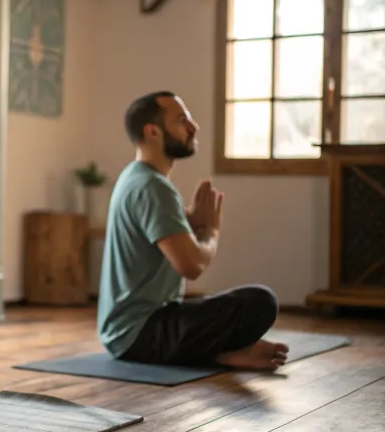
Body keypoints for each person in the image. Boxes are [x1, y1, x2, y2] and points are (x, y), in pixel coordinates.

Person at [97, 91, 289, 371]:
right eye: (181, 120)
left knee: (222, 304)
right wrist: (209, 231)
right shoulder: (154, 187)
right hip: (139, 334)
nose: (193, 127)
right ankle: (224, 353)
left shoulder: (135, 177)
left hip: (128, 330)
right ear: (152, 132)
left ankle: (223, 353)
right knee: (260, 302)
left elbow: (155, 239)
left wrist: (188, 222)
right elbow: (192, 265)